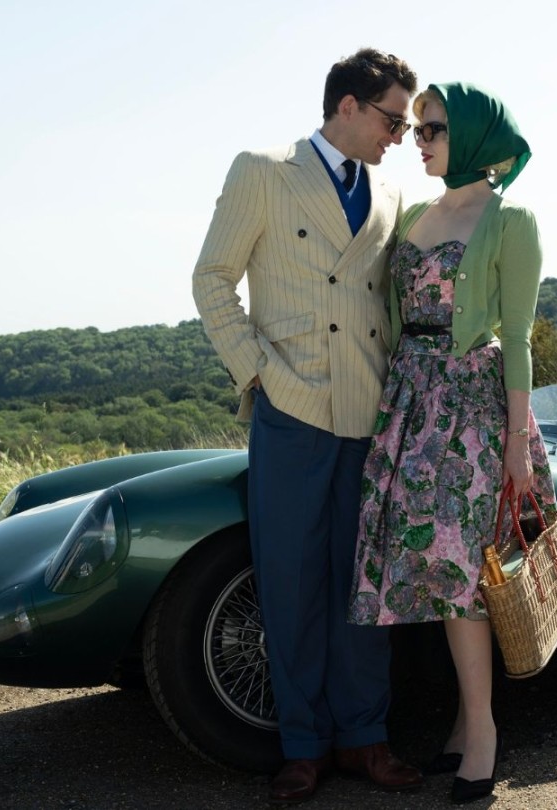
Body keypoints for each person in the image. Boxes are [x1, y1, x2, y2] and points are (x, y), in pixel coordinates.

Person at [191, 48, 423, 804]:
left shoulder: (388, 192)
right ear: (348, 107)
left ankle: (366, 739)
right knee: (290, 586)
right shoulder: (263, 169)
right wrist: (258, 374)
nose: (399, 134)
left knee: (364, 587)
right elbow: (211, 279)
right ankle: (302, 746)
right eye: (391, 118)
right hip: (291, 412)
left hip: (368, 408)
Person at [348, 82, 557, 804]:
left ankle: (484, 734)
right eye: (415, 128)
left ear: (469, 133)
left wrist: (517, 448)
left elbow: (520, 338)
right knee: (440, 573)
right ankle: (467, 728)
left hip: (474, 411)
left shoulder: (512, 219)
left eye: (433, 127)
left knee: (465, 571)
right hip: (411, 402)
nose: (420, 138)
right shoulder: (413, 213)